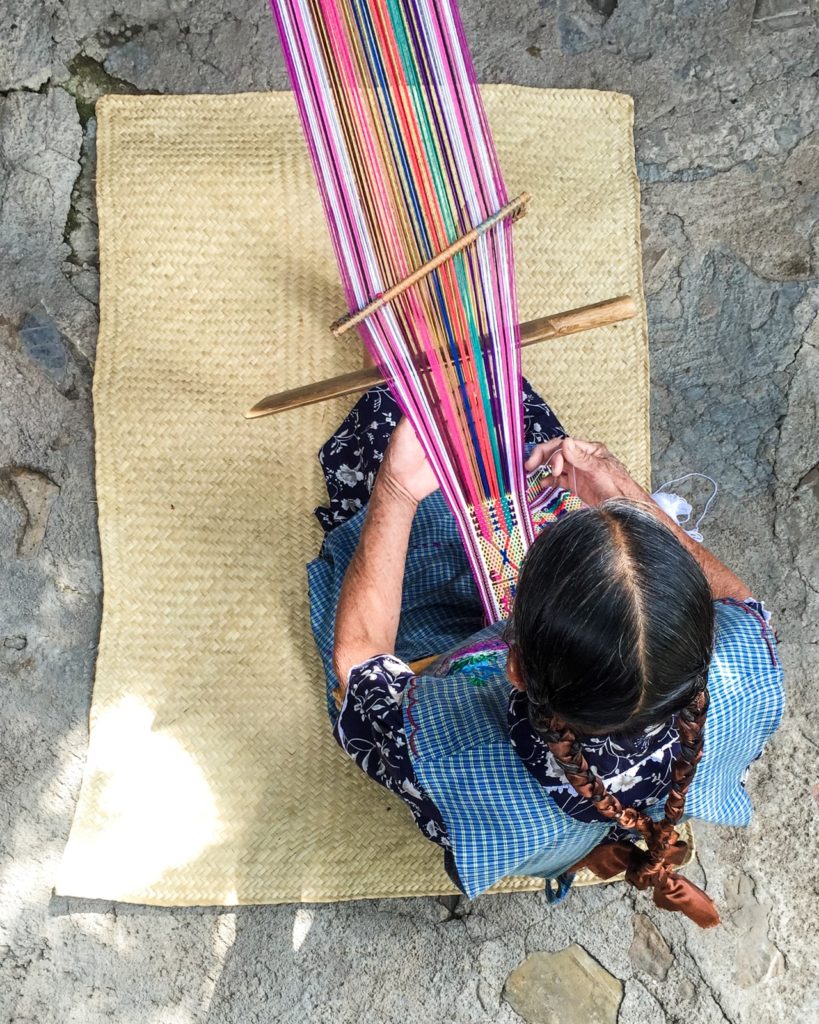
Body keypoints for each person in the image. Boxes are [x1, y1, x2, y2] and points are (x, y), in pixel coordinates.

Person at [307, 381, 784, 928]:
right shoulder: (743, 665)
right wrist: (622, 495)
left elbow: (360, 670)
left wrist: (395, 490)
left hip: (523, 810)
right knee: (527, 461)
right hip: (589, 801)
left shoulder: (452, 752)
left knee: (399, 449)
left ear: (512, 664)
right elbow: (739, 600)